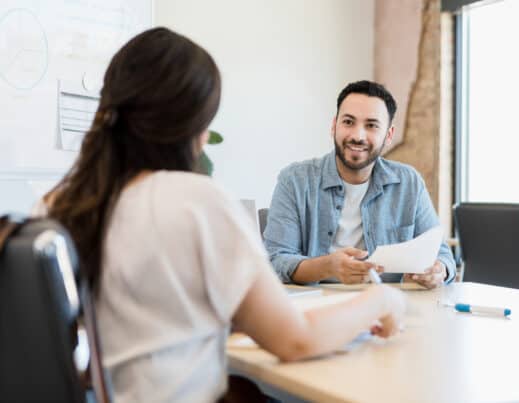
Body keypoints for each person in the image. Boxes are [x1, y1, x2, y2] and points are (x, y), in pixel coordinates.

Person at [43, 29, 406, 403]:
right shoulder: (197, 202)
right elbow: (295, 339)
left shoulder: (68, 203)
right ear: (194, 128)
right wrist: (382, 302)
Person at [263, 80, 455, 288]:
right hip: (315, 307)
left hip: (387, 305)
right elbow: (276, 261)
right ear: (334, 126)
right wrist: (327, 266)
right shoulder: (294, 180)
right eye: (348, 122)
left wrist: (438, 271)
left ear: (388, 135)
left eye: (371, 125)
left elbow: (442, 255)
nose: (357, 136)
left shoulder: (409, 183)